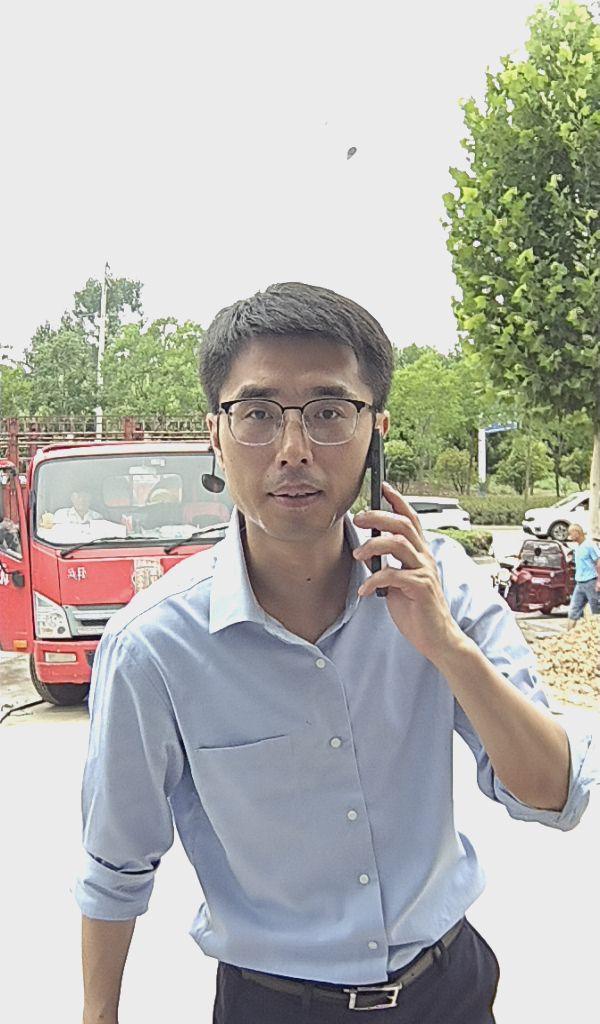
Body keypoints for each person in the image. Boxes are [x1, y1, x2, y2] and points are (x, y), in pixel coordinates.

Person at [75, 283, 593, 1024]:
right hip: (272, 1004)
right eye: (258, 413)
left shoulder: (441, 585)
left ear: (375, 431)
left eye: (327, 412)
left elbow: (553, 795)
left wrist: (447, 647)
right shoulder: (156, 646)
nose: (293, 449)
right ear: (215, 435)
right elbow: (115, 865)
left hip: (448, 991)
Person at [566, 523, 600, 629]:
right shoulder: (578, 547)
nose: (570, 536)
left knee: (596, 612)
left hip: (591, 582)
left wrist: (599, 582)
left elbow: (598, 562)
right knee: (573, 611)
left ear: (577, 532)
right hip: (580, 584)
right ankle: (569, 635)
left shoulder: (590, 545)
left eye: (571, 533)